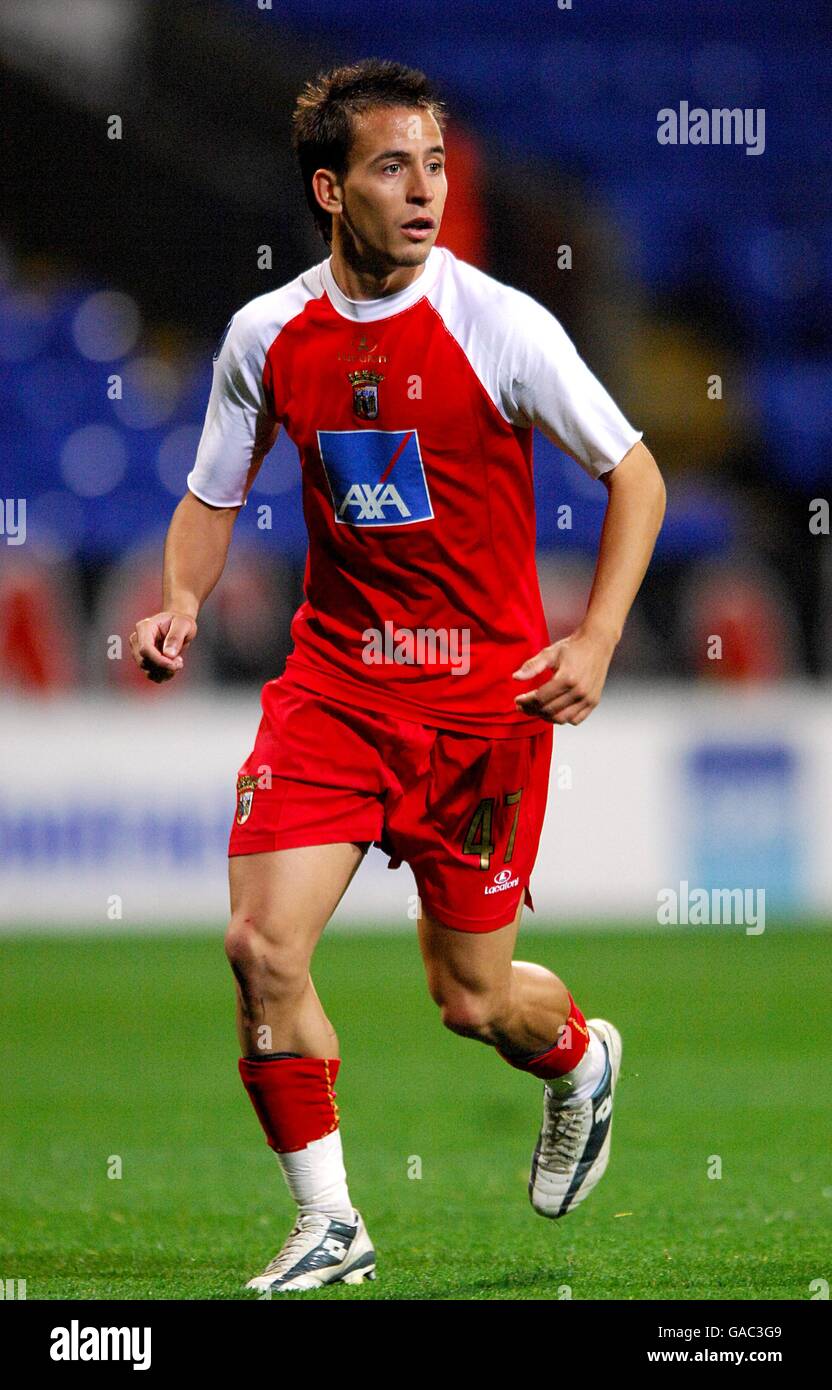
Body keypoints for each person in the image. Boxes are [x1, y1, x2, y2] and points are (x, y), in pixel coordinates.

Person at [130, 57, 666, 1294]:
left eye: (434, 164)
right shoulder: (266, 335)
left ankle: (578, 1057)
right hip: (334, 692)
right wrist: (181, 602)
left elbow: (634, 476)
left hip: (483, 710)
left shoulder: (503, 325)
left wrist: (589, 639)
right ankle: (332, 1220)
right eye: (391, 168)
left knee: (472, 1001)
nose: (422, 191)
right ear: (331, 188)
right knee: (262, 947)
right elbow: (212, 495)